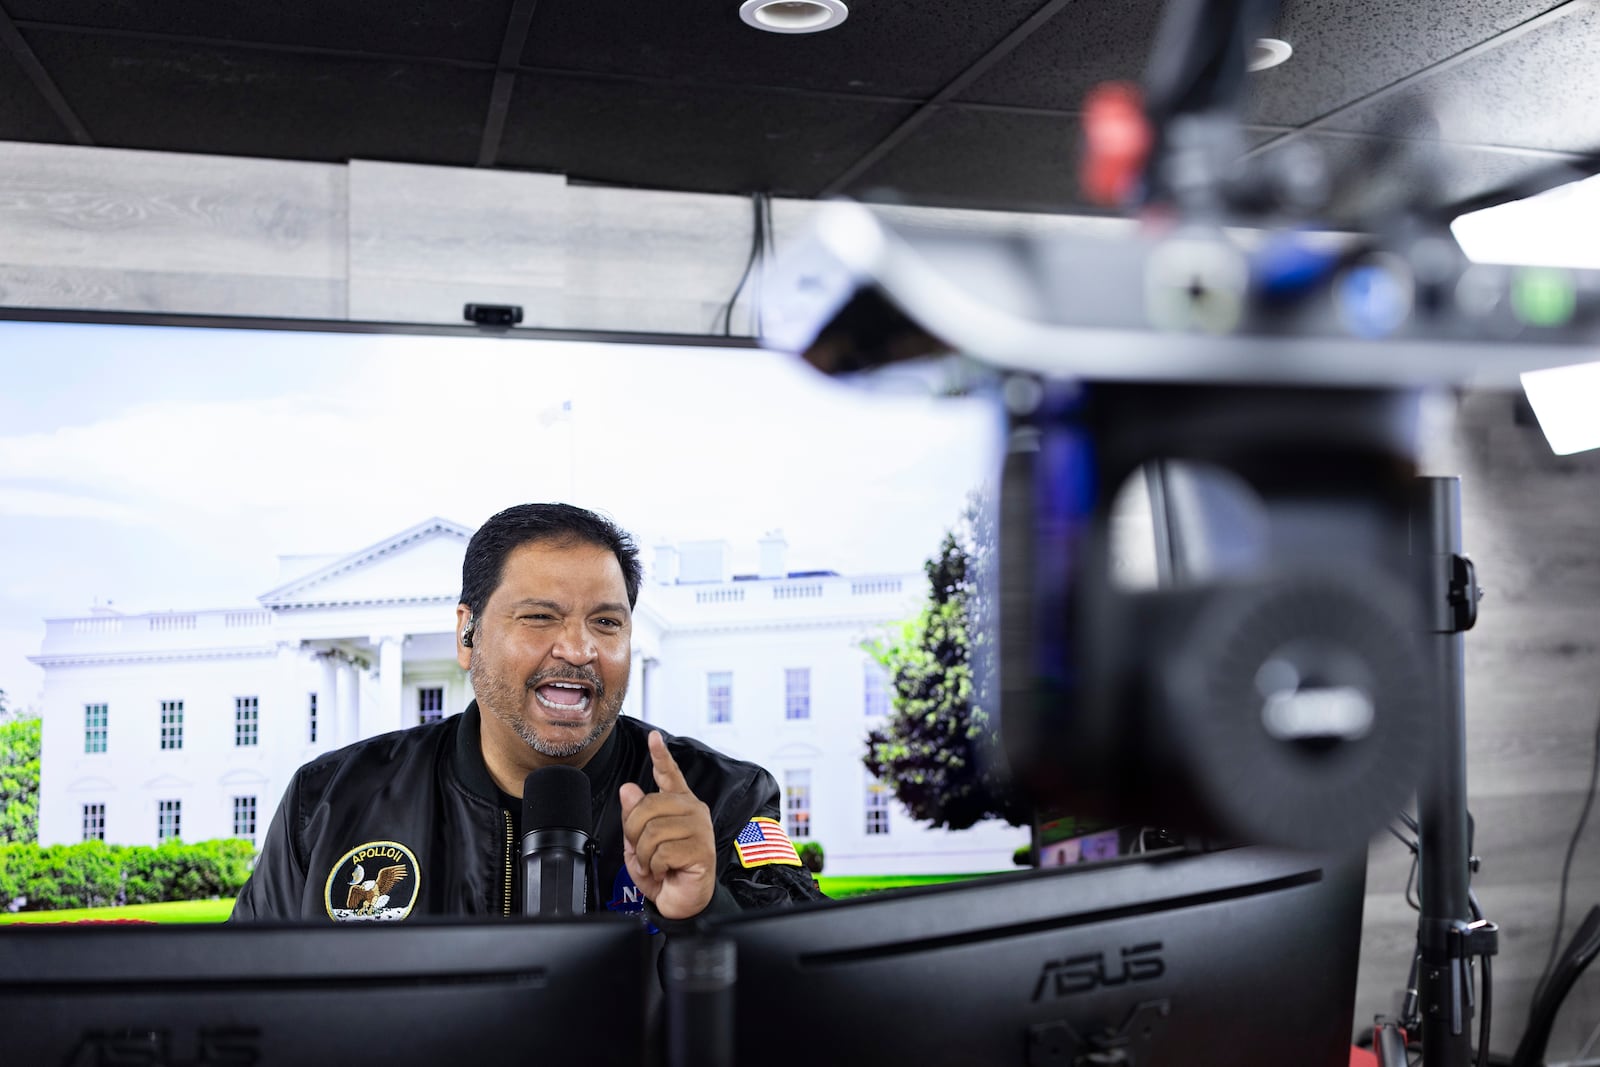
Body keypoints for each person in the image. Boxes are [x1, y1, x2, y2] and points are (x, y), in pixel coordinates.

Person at [232, 503, 825, 926]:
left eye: (607, 622)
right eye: (540, 617)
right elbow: (243, 1003)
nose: (579, 648)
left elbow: (824, 1008)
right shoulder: (328, 802)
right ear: (468, 635)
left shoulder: (728, 799)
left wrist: (709, 905)